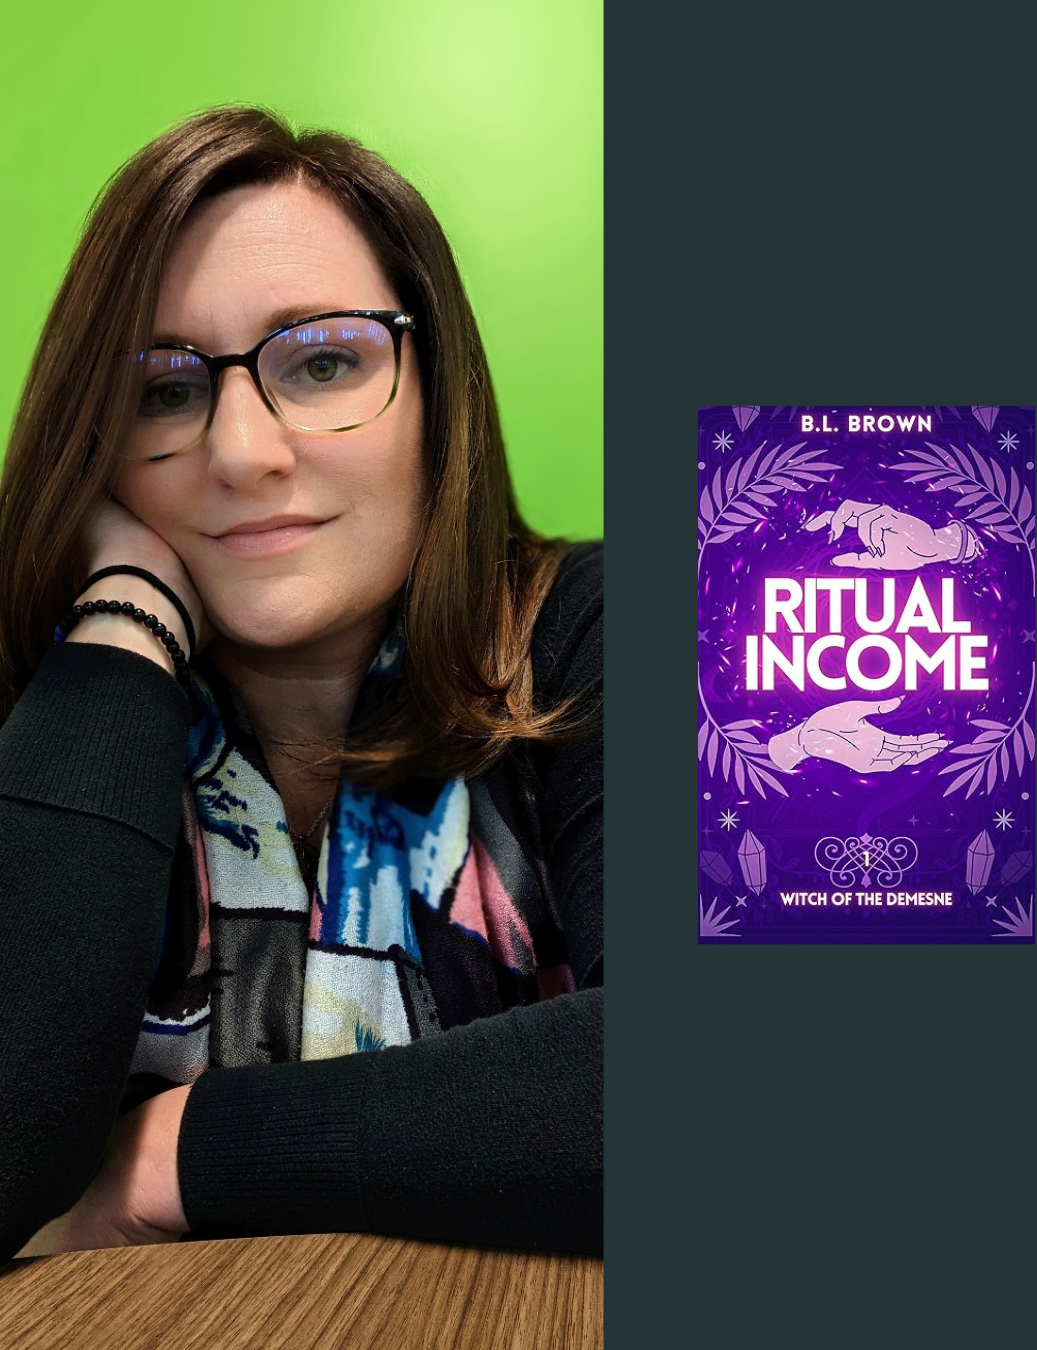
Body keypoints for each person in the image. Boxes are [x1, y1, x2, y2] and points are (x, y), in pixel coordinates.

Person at [0, 107, 602, 1260]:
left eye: (324, 360)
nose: (240, 451)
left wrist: (176, 1156)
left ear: (440, 393)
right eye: (164, 389)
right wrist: (124, 616)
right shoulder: (46, 713)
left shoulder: (609, 631)